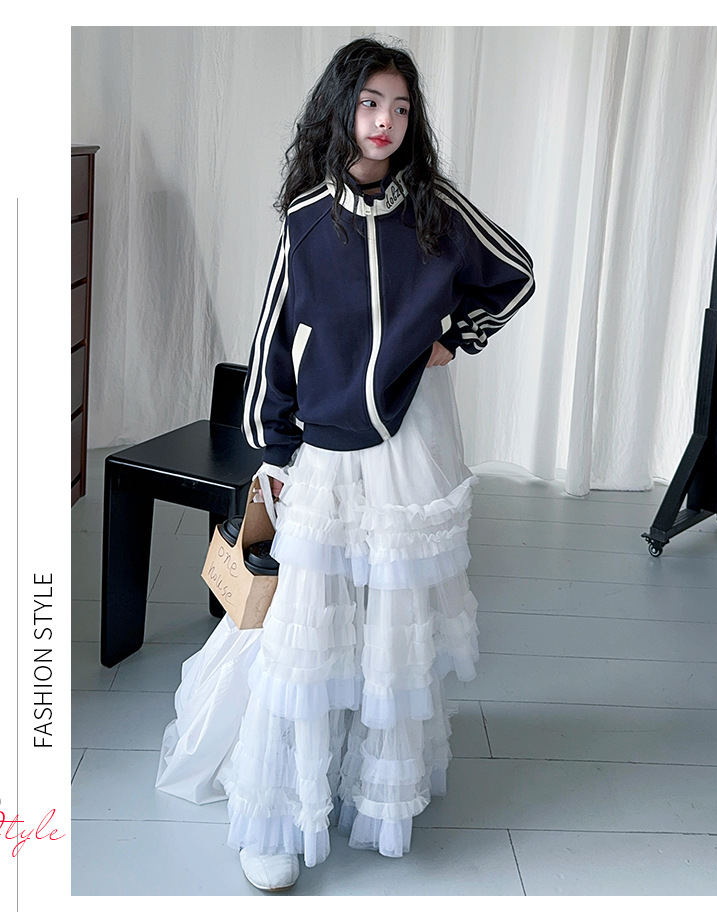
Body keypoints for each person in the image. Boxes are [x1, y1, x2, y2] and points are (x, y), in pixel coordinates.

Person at [156, 35, 534, 892]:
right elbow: (271, 336)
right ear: (343, 109)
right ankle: (279, 815)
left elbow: (513, 273)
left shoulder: (434, 206)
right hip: (323, 442)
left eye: (400, 107)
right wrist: (273, 447)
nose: (386, 121)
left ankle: (376, 786)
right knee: (306, 622)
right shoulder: (305, 218)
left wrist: (455, 337)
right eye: (370, 103)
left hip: (411, 437)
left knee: (393, 612)